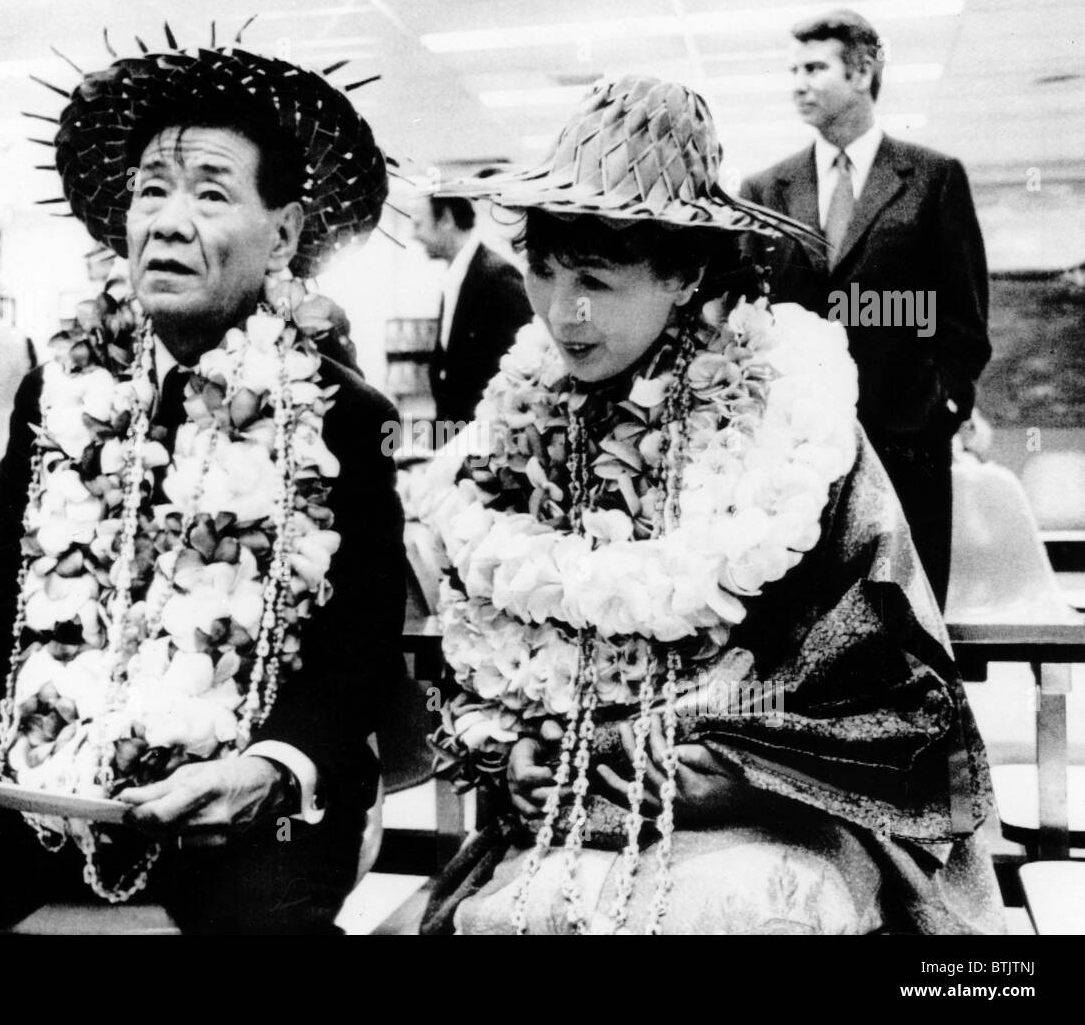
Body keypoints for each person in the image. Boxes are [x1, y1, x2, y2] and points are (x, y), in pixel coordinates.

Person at [0, 34, 406, 934]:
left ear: (282, 233)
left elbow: (357, 654)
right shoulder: (60, 389)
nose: (166, 221)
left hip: (239, 806)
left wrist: (270, 765)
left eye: (208, 193)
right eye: (150, 192)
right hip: (41, 785)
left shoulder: (340, 414)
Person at [416, 75, 1002, 935]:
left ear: (687, 273)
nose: (562, 312)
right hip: (575, 808)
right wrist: (513, 750)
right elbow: (485, 641)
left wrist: (733, 758)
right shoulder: (520, 419)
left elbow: (895, 688)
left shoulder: (797, 419)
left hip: (779, 808)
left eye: (596, 278)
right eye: (543, 271)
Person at [739, 9, 991, 610]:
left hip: (906, 440)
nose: (797, 83)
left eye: (814, 67)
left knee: (906, 616)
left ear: (862, 71)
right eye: (792, 69)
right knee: (800, 621)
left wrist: (943, 408)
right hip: (794, 455)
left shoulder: (933, 179)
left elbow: (964, 317)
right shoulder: (764, 189)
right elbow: (748, 316)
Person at [410, 192, 533, 426]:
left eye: (418, 224)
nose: (414, 235)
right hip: (455, 436)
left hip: (484, 441)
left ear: (446, 219)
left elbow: (519, 369)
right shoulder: (457, 277)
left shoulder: (497, 276)